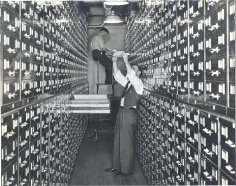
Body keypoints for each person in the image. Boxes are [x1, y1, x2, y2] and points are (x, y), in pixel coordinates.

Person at [105, 52, 144, 176]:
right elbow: (117, 76)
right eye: (131, 68)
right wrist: (114, 61)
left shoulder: (139, 85)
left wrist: (127, 62)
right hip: (121, 112)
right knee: (118, 140)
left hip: (129, 114)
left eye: (134, 69)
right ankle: (117, 166)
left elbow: (131, 75)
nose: (132, 70)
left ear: (139, 73)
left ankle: (126, 169)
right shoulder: (128, 84)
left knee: (126, 142)